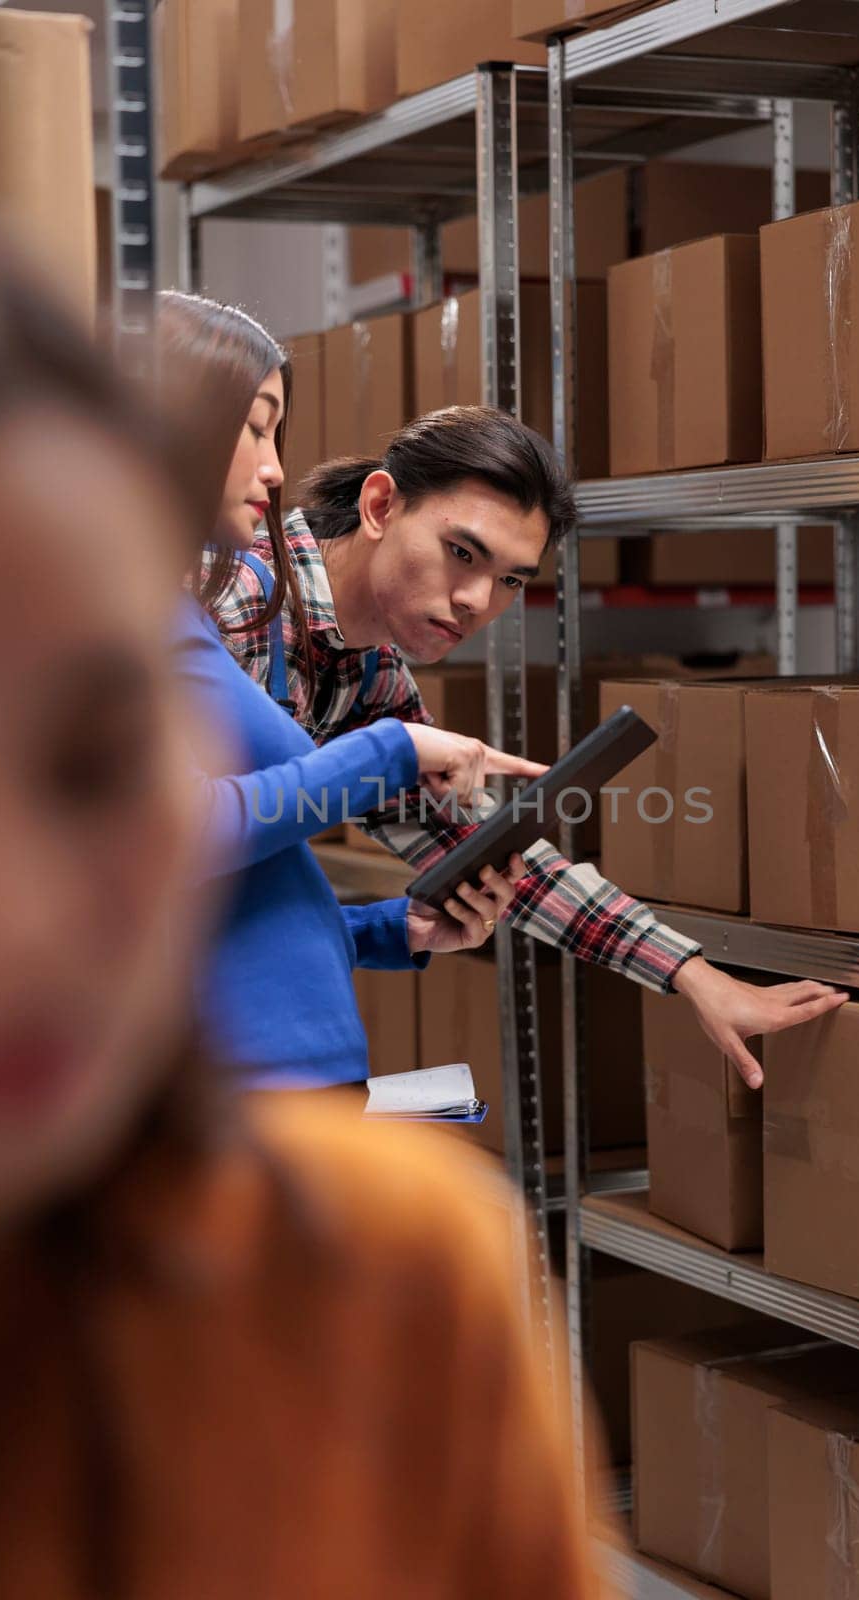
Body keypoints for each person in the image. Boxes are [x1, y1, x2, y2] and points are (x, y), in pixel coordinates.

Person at [0, 230, 605, 1599]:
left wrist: (387, 932)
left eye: (90, 767)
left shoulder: (405, 1273)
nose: (13, 919)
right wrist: (374, 768)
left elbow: (227, 874)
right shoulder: (244, 634)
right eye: (249, 430)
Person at [205, 389, 849, 1084]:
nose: (478, 602)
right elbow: (149, 843)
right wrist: (389, 754)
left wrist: (693, 975)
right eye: (461, 553)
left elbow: (486, 851)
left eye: (509, 579)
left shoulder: (368, 678)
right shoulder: (230, 601)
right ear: (380, 506)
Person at [157, 295, 542, 1085]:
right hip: (226, 1086)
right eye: (256, 424)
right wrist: (390, 751)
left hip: (285, 1080)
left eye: (509, 580)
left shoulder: (165, 609)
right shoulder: (166, 607)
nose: (273, 466)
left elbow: (241, 895)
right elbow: (168, 840)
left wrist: (386, 931)